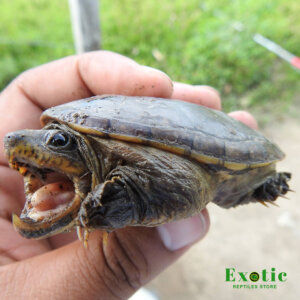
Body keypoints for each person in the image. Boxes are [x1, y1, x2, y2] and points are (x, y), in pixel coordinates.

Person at [0, 51, 257, 299]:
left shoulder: (117, 156)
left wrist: (116, 199)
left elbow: (187, 184)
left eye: (57, 140)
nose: (10, 140)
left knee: (243, 181)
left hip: (203, 147)